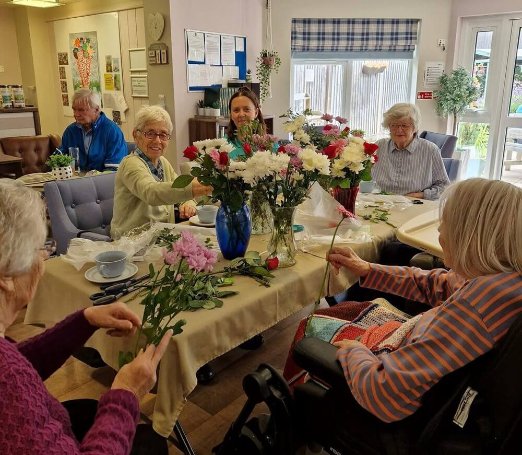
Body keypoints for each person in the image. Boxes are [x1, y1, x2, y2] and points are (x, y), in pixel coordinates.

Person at [284, 179, 522, 433]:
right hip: (421, 349)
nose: (440, 230)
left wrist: (355, 352)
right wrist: (368, 269)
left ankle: (293, 422)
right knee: (350, 306)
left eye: (448, 223)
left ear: (472, 237)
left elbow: (384, 393)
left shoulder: (474, 309)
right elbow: (435, 284)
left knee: (312, 325)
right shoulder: (499, 280)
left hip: (398, 401)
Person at [0, 178, 172, 454]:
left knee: (88, 410)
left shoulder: (8, 366)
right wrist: (125, 393)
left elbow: (20, 363)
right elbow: (12, 375)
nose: (43, 260)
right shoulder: (8, 380)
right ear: (6, 276)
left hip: (52, 418)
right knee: (150, 443)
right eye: (39, 248)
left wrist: (85, 320)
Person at [111, 105, 212, 239]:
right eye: (150, 133)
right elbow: (151, 192)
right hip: (130, 244)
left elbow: (176, 189)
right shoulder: (130, 164)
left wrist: (187, 203)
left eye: (163, 135)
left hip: (160, 239)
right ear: (136, 135)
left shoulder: (163, 162)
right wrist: (195, 187)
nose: (157, 140)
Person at [372, 103, 450, 200]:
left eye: (404, 125)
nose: (399, 130)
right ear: (388, 127)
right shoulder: (379, 146)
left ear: (414, 128)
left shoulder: (430, 150)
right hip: (381, 203)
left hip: (415, 204)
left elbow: (444, 186)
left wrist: (422, 195)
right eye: (394, 125)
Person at [60, 89, 128, 172]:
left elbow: (113, 170)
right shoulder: (71, 131)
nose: (76, 114)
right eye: (74, 109)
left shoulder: (112, 131)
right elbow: (58, 161)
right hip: (73, 182)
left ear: (96, 109)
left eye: (81, 110)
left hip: (102, 183)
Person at [226, 86, 267, 159]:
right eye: (236, 110)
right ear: (231, 115)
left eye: (246, 109)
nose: (241, 114)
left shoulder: (269, 144)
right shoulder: (222, 145)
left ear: (256, 112)